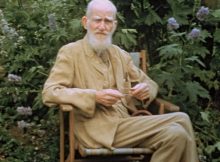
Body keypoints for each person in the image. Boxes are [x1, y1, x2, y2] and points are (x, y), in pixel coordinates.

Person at [42, 0, 199, 162]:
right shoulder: (70, 52)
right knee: (181, 118)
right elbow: (50, 92)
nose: (102, 26)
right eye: (97, 20)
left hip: (125, 124)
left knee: (176, 135)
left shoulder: (119, 55)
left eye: (108, 21)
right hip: (96, 129)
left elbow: (151, 84)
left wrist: (145, 90)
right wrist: (94, 96)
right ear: (85, 22)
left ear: (114, 25)